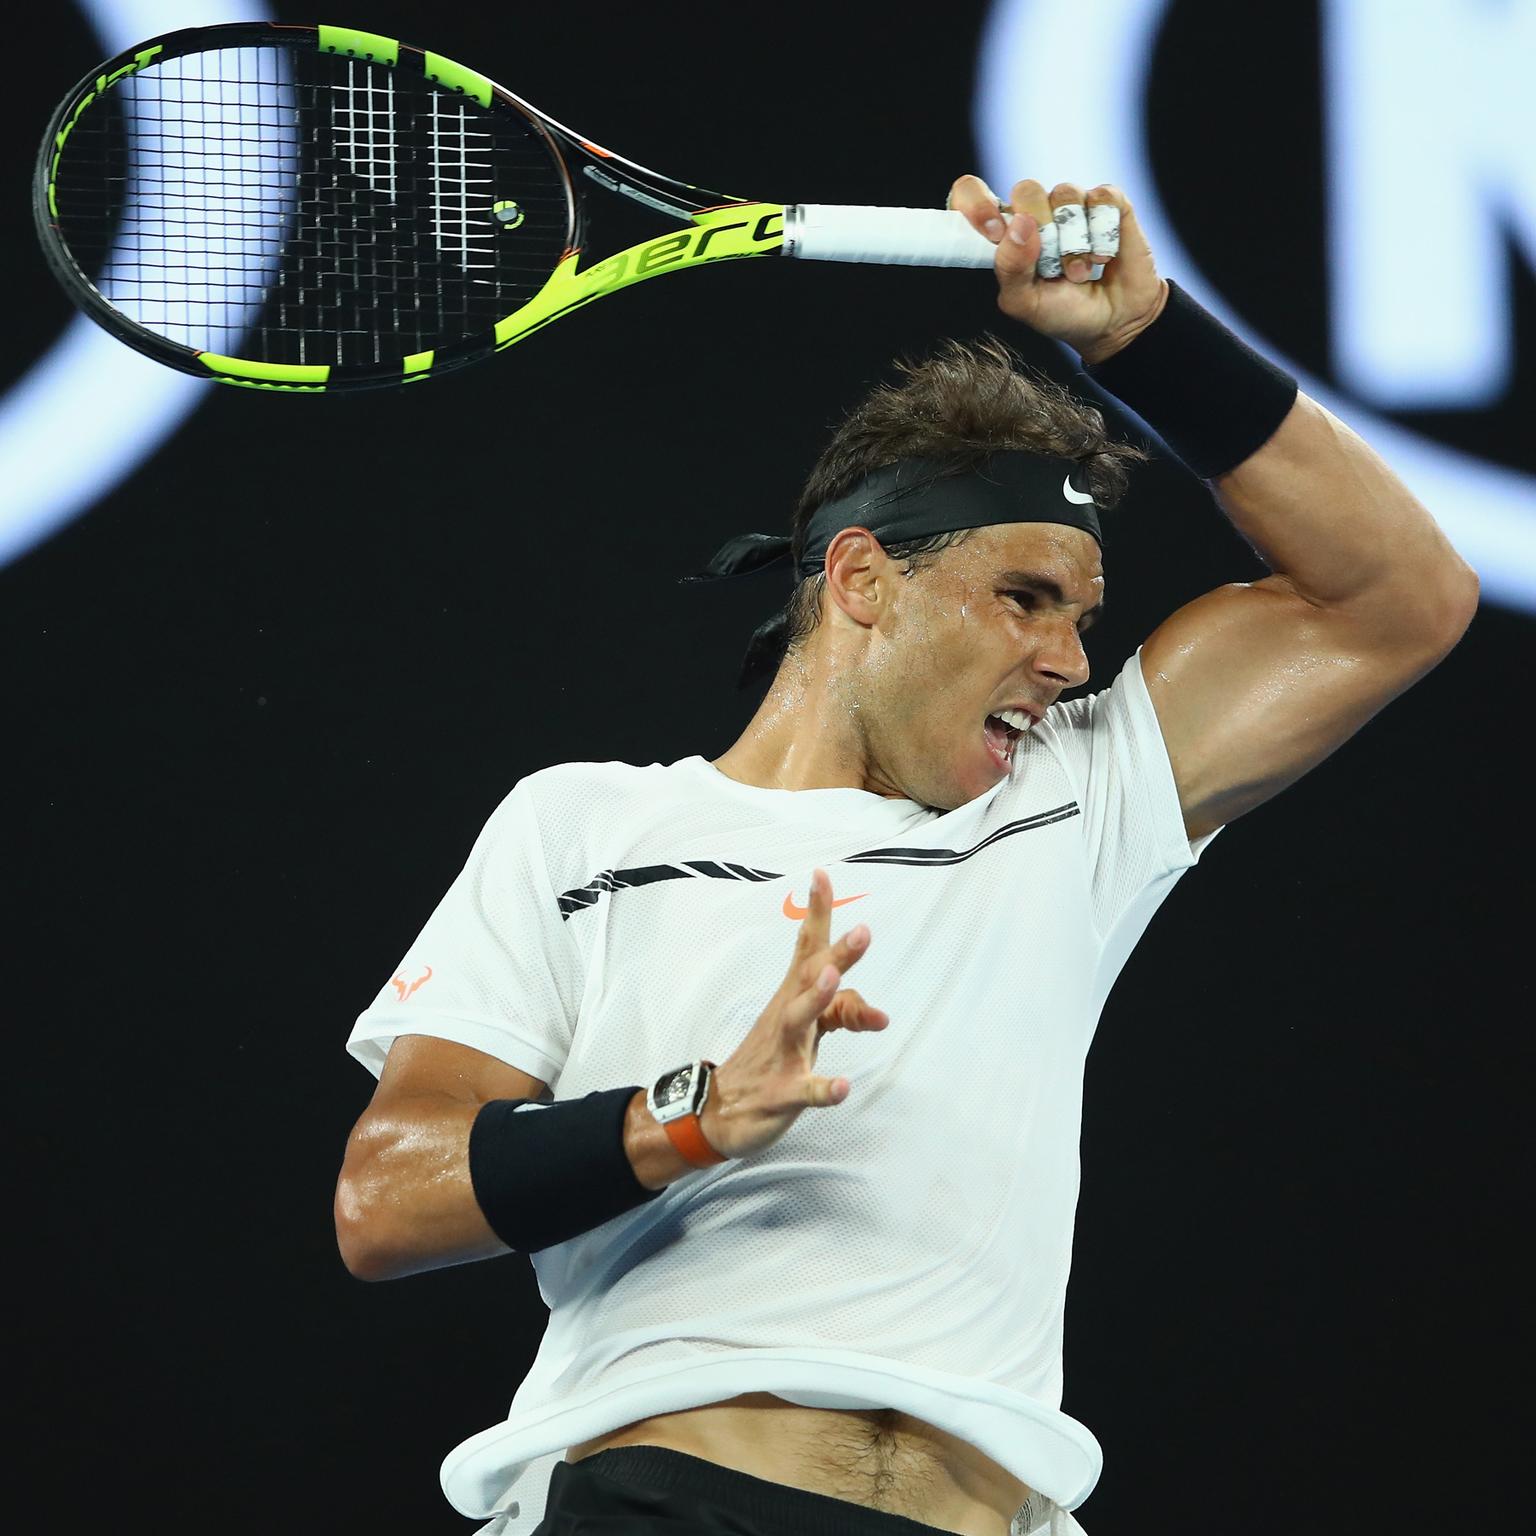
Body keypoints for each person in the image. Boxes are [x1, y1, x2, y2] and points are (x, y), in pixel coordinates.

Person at [334, 173, 1478, 1536]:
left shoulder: (1088, 793)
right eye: (1023, 599)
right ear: (864, 581)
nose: (1067, 660)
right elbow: (385, 1196)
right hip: (670, 1503)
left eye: (1084, 615)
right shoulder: (585, 826)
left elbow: (1404, 597)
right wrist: (691, 1116)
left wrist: (1142, 336)